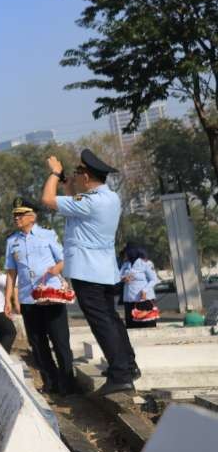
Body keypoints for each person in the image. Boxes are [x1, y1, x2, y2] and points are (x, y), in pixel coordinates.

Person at [43, 150, 140, 396]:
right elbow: (73, 202)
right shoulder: (108, 198)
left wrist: (54, 174)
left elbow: (48, 200)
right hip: (103, 270)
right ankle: (128, 365)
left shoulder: (91, 202)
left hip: (88, 272)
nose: (74, 177)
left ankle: (120, 375)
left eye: (77, 173)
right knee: (111, 320)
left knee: (102, 323)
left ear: (86, 177)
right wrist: (67, 181)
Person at [4, 197, 72, 394]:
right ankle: (51, 382)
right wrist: (7, 299)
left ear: (32, 216)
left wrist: (53, 270)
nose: (16, 218)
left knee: (60, 340)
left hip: (50, 295)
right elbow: (11, 273)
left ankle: (68, 383)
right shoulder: (12, 242)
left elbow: (62, 260)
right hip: (28, 299)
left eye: (21, 214)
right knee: (38, 344)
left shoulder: (47, 235)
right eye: (15, 215)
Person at [120, 243, 159, 329]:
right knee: (131, 327)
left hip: (143, 300)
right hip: (129, 300)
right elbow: (119, 276)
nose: (125, 254)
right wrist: (123, 278)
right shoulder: (126, 264)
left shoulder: (146, 263)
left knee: (147, 325)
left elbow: (154, 279)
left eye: (126, 252)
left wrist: (145, 290)